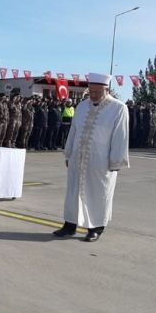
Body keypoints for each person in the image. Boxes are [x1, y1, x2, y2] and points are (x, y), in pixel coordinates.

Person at [53, 73, 129, 242]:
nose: (93, 95)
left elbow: (120, 136)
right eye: (91, 91)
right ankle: (69, 225)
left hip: (101, 162)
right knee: (73, 192)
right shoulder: (82, 106)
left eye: (97, 92)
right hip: (78, 158)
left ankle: (96, 228)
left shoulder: (118, 108)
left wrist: (116, 161)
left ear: (106, 90)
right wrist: (69, 153)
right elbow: (73, 131)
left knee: (98, 194)